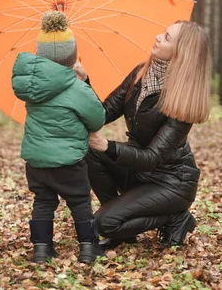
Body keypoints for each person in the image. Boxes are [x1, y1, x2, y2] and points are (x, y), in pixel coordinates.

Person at [85, 20, 211, 249]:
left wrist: (109, 146)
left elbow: (153, 157)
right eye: (164, 33)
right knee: (89, 150)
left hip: (170, 183)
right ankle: (120, 223)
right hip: (138, 171)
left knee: (102, 223)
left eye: (167, 37)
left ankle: (175, 217)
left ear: (180, 53)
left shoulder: (182, 99)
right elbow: (101, 114)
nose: (157, 37)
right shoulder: (141, 73)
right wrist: (83, 81)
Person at [11, 11, 106, 264]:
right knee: (80, 202)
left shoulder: (32, 87)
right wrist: (84, 82)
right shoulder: (76, 87)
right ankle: (88, 247)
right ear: (72, 56)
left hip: (37, 161)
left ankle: (41, 249)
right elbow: (97, 119)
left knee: (43, 202)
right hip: (69, 161)